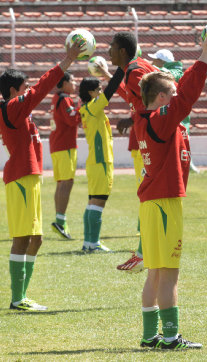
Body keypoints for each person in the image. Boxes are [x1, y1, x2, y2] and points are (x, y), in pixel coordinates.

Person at [134, 28, 207, 350]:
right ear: (161, 99)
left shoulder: (144, 118)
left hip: (151, 203)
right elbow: (186, 97)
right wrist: (205, 56)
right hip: (164, 203)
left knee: (155, 273)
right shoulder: (159, 119)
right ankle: (171, 338)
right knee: (169, 274)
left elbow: (181, 98)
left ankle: (149, 336)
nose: (176, 98)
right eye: (170, 94)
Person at [0, 39, 83, 311]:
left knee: (37, 238)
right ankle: (17, 298)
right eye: (23, 88)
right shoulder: (11, 107)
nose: (28, 91)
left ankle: (22, 295)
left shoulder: (16, 110)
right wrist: (66, 62)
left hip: (29, 177)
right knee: (22, 238)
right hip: (20, 178)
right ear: (13, 91)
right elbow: (42, 87)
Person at [108, 32, 160, 272]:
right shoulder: (135, 69)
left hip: (152, 140)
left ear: (122, 51)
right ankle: (144, 250)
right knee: (148, 194)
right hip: (150, 138)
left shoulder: (134, 71)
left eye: (112, 46)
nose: (108, 51)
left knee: (149, 195)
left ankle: (144, 253)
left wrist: (140, 121)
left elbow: (160, 100)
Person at [78, 64, 125, 252]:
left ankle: (88, 243)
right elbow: (111, 89)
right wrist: (122, 68)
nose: (101, 91)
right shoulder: (92, 107)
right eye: (98, 88)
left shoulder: (88, 109)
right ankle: (94, 243)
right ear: (91, 92)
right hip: (101, 161)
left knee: (92, 202)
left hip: (95, 162)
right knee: (98, 202)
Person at [148, 48, 199, 173]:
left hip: (177, 116)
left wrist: (147, 67)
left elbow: (166, 76)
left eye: (154, 60)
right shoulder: (168, 71)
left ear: (161, 61)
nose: (152, 62)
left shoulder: (175, 72)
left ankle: (188, 164)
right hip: (170, 114)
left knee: (180, 142)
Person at [49, 71, 80, 239]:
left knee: (61, 182)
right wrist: (82, 108)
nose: (75, 83)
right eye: (72, 80)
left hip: (56, 144)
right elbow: (72, 119)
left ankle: (60, 219)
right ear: (64, 83)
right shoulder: (65, 99)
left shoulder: (56, 98)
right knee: (66, 183)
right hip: (65, 145)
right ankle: (61, 221)